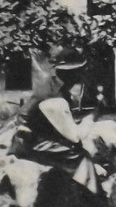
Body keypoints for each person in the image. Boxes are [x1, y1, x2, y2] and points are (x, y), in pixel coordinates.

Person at [12, 47, 101, 195]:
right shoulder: (54, 97)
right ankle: (91, 197)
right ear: (69, 73)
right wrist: (92, 116)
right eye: (79, 71)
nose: (81, 76)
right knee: (79, 155)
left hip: (38, 138)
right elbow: (75, 135)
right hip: (31, 144)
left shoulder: (56, 88)